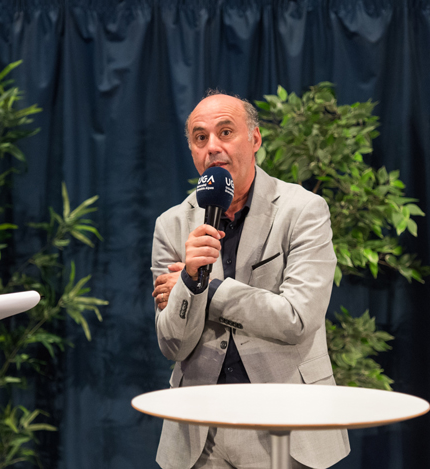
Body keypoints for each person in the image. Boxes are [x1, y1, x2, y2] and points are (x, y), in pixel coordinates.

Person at [150, 92, 350, 469]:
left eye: (226, 132)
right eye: (200, 137)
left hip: (285, 421)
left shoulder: (303, 210)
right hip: (199, 427)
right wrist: (190, 280)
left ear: (255, 139)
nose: (213, 147)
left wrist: (207, 289)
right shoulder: (172, 225)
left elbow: (296, 319)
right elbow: (173, 344)